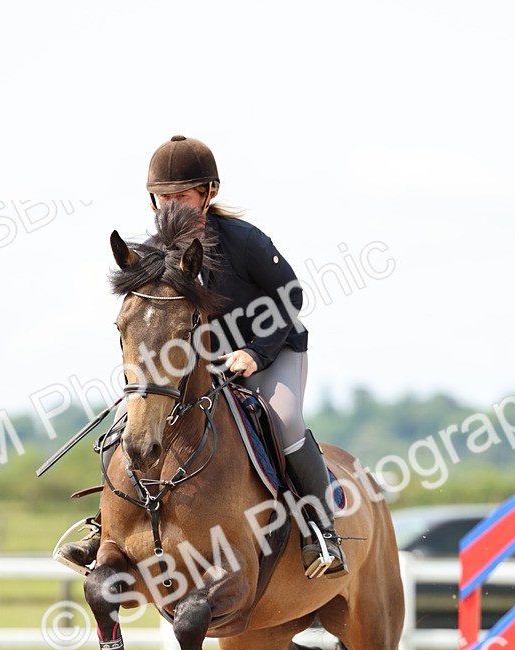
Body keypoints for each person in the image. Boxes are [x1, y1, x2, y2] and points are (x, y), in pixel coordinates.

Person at [64, 134, 345, 578]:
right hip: (202, 364)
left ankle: (321, 530)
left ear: (207, 194)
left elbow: (291, 295)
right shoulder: (153, 253)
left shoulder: (244, 241)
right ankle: (109, 527)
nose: (173, 204)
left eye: (183, 195)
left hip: (273, 348)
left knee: (284, 420)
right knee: (133, 422)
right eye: (164, 197)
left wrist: (255, 353)